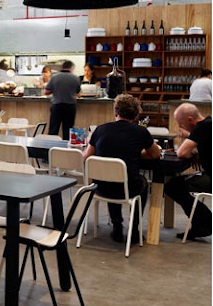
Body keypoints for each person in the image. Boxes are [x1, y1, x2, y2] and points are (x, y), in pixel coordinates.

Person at [83, 94, 161, 243]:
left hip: (100, 187)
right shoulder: (141, 132)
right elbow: (155, 154)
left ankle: (117, 227)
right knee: (142, 183)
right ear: (136, 115)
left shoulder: (100, 130)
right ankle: (134, 229)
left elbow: (87, 157)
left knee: (111, 177)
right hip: (127, 189)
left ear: (115, 112)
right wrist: (137, 153)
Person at [165, 103, 211, 240]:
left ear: (190, 119)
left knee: (173, 186)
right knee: (176, 184)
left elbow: (181, 153)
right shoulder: (209, 123)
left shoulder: (202, 127)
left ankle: (205, 222)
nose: (181, 127)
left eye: (181, 124)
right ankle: (203, 223)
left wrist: (190, 148)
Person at [45, 61, 80, 140]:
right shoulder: (75, 78)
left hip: (57, 106)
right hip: (70, 107)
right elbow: (77, 91)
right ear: (71, 68)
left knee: (53, 130)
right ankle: (66, 147)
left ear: (62, 67)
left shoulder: (54, 77)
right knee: (68, 131)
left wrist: (55, 89)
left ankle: (51, 146)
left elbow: (46, 92)